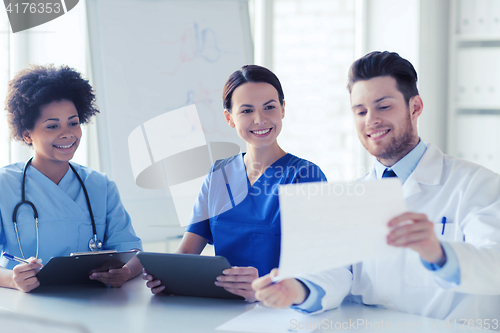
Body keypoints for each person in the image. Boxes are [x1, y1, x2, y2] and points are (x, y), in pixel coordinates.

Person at [252, 51, 500, 322]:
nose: (370, 120)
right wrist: (298, 290)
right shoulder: (354, 195)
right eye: (360, 111)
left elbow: (494, 264)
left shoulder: (477, 185)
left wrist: (438, 252)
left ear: (415, 107)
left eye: (383, 106)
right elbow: (337, 271)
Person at [143, 65, 327, 301]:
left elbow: (315, 266)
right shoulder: (218, 174)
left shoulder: (306, 175)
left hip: (281, 310)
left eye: (269, 107)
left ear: (282, 109)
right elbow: (188, 251)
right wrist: (165, 276)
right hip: (222, 307)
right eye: (247, 111)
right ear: (229, 118)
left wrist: (262, 286)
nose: (259, 119)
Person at [0, 64, 143, 292]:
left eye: (73, 122)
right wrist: (11, 279)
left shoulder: (100, 185)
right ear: (27, 134)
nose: (67, 133)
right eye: (52, 126)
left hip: (93, 305)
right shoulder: (4, 185)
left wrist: (124, 273)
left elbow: (133, 252)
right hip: (27, 307)